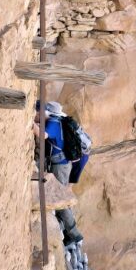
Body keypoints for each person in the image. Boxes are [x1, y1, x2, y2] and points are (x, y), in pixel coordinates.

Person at [33, 100, 83, 247]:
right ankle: (69, 230)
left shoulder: (53, 123)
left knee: (59, 199)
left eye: (37, 112)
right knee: (58, 196)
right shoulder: (57, 121)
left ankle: (74, 234)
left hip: (60, 166)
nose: (36, 115)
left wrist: (30, 124)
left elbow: (43, 135)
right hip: (60, 164)